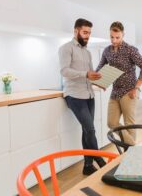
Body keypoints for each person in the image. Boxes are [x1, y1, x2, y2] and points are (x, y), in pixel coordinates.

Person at [58, 18, 106, 175]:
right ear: (76, 31)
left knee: (87, 131)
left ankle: (87, 166)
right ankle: (99, 159)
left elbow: (90, 75)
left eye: (89, 33)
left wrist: (99, 82)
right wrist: (86, 74)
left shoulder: (87, 52)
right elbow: (64, 71)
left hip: (89, 95)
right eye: (85, 32)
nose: (87, 36)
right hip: (74, 95)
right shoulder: (66, 48)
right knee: (91, 130)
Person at [96, 21, 142, 145]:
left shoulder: (130, 50)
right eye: (111, 37)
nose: (114, 40)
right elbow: (100, 68)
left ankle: (129, 153)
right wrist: (101, 81)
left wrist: (136, 87)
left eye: (117, 37)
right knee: (111, 123)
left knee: (129, 124)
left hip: (130, 92)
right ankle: (134, 147)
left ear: (123, 35)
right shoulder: (107, 51)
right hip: (115, 92)